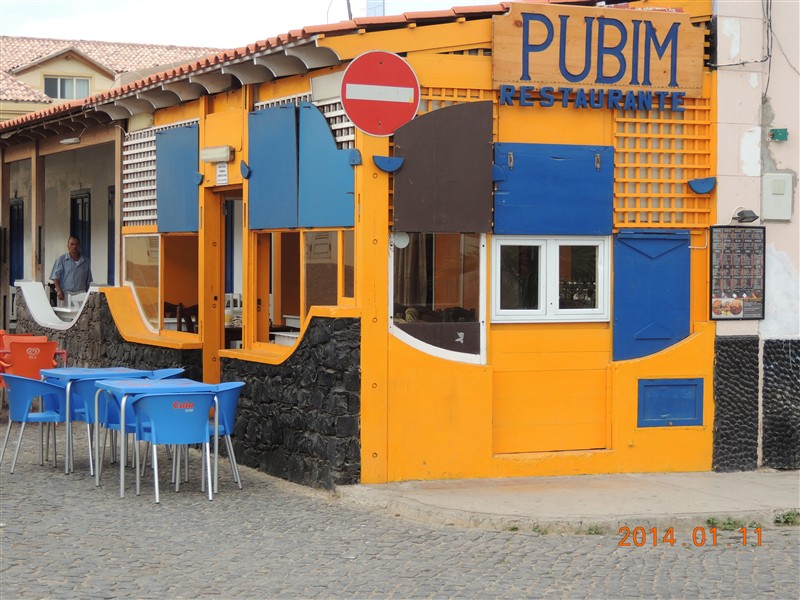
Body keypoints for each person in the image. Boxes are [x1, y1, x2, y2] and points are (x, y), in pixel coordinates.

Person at [50, 236, 92, 306]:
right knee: (63, 313)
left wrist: (88, 295)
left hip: (80, 295)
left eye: (77, 244)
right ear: (68, 246)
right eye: (72, 244)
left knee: (79, 313)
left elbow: (88, 280)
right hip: (64, 294)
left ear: (80, 246)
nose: (74, 247)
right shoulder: (61, 259)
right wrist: (59, 291)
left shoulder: (86, 261)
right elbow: (55, 277)